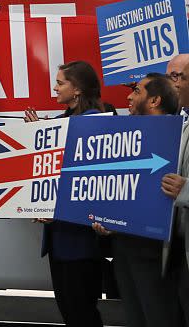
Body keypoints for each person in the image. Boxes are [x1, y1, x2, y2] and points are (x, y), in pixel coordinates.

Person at [92, 74, 183, 327]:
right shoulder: (125, 136)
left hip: (155, 251)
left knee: (158, 317)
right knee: (135, 318)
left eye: (137, 91)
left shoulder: (175, 136)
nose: (129, 97)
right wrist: (107, 223)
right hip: (124, 248)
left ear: (154, 100)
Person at [24, 60, 108, 327]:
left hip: (81, 241)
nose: (55, 87)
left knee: (82, 312)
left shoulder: (97, 123)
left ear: (79, 89)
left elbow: (91, 183)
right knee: (70, 311)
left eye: (61, 83)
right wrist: (38, 135)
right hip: (59, 239)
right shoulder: (62, 122)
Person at [162, 60, 189, 325]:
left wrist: (187, 189)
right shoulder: (175, 124)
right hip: (175, 252)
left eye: (176, 76)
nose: (171, 84)